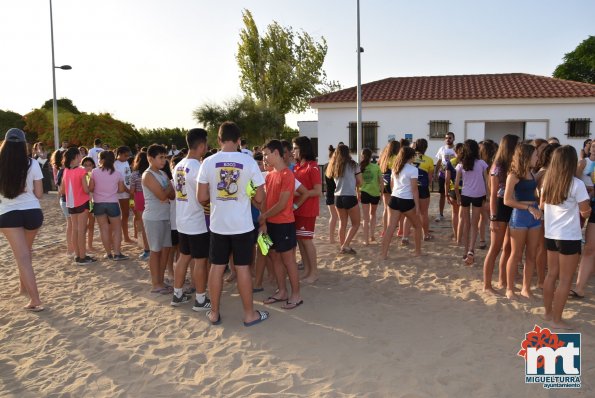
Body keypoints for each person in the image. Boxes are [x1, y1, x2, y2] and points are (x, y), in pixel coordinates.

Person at [197, 121, 269, 326]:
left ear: (219, 139)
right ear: (239, 140)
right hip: (242, 225)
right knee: (243, 268)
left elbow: (201, 196)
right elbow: (260, 197)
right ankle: (249, 314)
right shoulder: (248, 162)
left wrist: (217, 198)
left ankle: (214, 313)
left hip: (219, 224)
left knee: (217, 267)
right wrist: (247, 195)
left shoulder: (208, 162)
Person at [541, 146, 591, 329]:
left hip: (551, 234)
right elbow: (585, 212)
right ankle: (556, 319)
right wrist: (586, 210)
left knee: (551, 274)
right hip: (568, 236)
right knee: (565, 279)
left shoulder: (548, 181)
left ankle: (548, 313)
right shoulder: (576, 185)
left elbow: (543, 205)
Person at [0, 128, 45, 311]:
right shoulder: (32, 163)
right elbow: (40, 194)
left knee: (23, 256)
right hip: (32, 212)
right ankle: (23, 287)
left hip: (8, 214)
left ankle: (35, 300)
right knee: (26, 252)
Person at [170, 128, 212, 311]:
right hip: (196, 220)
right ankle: (201, 299)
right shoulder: (197, 167)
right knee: (200, 260)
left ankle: (177, 294)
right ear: (201, 146)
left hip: (182, 219)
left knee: (184, 257)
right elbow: (203, 196)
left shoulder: (178, 165)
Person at [260, 139, 303, 309]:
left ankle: (296, 295)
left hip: (284, 224)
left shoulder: (287, 175)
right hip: (271, 224)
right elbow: (266, 200)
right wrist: (264, 221)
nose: (264, 158)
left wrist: (263, 217)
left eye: (266, 154)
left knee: (288, 260)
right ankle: (282, 291)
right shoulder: (270, 175)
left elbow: (283, 203)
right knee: (275, 257)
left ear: (276, 153)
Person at [503, 144, 541, 299]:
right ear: (526, 156)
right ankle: (510, 288)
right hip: (520, 216)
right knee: (516, 254)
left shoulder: (532, 173)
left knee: (532, 254)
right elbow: (507, 200)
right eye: (535, 155)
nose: (537, 157)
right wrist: (529, 208)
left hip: (534, 216)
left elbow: (533, 193)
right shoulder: (513, 175)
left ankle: (526, 288)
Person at [482, 135, 519, 293]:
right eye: (517, 145)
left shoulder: (515, 164)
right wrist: (493, 217)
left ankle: (502, 281)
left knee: (508, 247)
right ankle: (487, 285)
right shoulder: (497, 166)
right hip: (500, 206)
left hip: (512, 206)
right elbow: (492, 194)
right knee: (495, 248)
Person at [142, 144, 175, 294]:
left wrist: (168, 188)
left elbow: (172, 195)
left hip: (165, 216)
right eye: (160, 157)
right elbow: (162, 195)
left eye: (165, 157)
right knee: (155, 251)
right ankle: (156, 284)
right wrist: (168, 187)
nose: (164, 160)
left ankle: (161, 281)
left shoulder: (162, 174)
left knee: (166, 249)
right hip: (153, 217)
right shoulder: (148, 175)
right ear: (150, 158)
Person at [381, 147, 423, 259]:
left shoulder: (395, 167)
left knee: (390, 227)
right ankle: (417, 252)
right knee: (417, 226)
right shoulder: (413, 169)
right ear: (411, 156)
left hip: (394, 198)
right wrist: (417, 206)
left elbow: (391, 185)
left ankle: (383, 254)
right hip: (406, 200)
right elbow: (415, 190)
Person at [292, 136, 321, 283]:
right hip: (296, 210)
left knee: (306, 241)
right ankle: (308, 270)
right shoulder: (297, 166)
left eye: (296, 148)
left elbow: (318, 191)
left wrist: (300, 194)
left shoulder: (313, 166)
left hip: (307, 210)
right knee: (301, 241)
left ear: (303, 149)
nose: (293, 151)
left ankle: (314, 272)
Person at [89, 150, 128, 261]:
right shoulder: (117, 174)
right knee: (116, 229)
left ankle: (108, 253)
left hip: (98, 203)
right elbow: (121, 190)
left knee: (104, 229)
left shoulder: (95, 172)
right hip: (112, 202)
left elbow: (91, 188)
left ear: (101, 159)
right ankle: (117, 253)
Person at [454, 139, 488, 265]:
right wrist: (488, 196)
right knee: (475, 224)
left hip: (465, 196)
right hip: (478, 196)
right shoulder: (482, 163)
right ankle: (471, 250)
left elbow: (456, 185)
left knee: (466, 224)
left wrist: (458, 197)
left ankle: (465, 250)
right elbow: (486, 181)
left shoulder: (461, 164)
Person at [325, 144, 361, 254]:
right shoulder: (353, 164)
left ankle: (343, 246)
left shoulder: (334, 165)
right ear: (348, 153)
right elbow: (360, 181)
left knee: (342, 223)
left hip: (337, 197)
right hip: (349, 195)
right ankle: (345, 245)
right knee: (356, 224)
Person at [61, 147, 95, 264]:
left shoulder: (66, 171)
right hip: (82, 203)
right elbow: (86, 189)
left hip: (71, 204)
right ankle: (83, 256)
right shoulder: (81, 171)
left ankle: (77, 255)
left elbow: (63, 190)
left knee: (75, 230)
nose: (81, 157)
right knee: (81, 230)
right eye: (79, 155)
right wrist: (91, 190)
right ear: (75, 157)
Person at [571, 140, 595, 299]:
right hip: (591, 205)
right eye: (593, 146)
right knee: (589, 247)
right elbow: (576, 182)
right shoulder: (583, 163)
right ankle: (579, 288)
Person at [404, 139, 433, 242]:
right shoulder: (429, 160)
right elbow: (430, 179)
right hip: (423, 188)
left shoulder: (409, 158)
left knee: (408, 213)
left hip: (410, 188)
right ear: (425, 148)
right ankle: (426, 235)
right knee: (424, 213)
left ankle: (405, 237)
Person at [129, 151, 150, 260]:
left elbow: (132, 191)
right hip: (150, 198)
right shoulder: (151, 172)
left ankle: (147, 250)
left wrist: (131, 203)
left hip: (139, 198)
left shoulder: (134, 174)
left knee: (143, 226)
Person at [359, 147, 382, 245]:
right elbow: (381, 182)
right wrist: (381, 194)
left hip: (364, 192)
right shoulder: (376, 167)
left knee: (365, 218)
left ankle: (366, 240)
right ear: (371, 156)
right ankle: (372, 235)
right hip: (375, 193)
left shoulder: (360, 167)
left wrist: (357, 192)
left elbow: (357, 182)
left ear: (362, 156)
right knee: (373, 214)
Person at [434, 132, 456, 222]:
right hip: (443, 175)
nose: (448, 139)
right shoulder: (442, 149)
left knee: (454, 196)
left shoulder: (456, 149)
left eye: (450, 138)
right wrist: (435, 173)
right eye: (446, 138)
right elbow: (439, 161)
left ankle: (454, 214)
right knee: (442, 195)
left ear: (453, 139)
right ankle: (441, 214)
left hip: (454, 176)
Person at [444, 143, 463, 241]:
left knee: (455, 213)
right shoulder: (468, 162)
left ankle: (456, 236)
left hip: (453, 190)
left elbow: (447, 180)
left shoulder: (450, 162)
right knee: (463, 215)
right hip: (466, 191)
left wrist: (446, 194)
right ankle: (461, 235)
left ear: (455, 152)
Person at [114, 146, 133, 243]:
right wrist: (128, 191)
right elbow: (119, 181)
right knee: (125, 213)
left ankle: (131, 235)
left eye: (128, 156)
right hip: (122, 193)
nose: (127, 157)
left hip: (130, 192)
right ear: (119, 154)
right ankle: (125, 236)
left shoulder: (126, 162)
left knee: (131, 212)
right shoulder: (115, 164)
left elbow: (128, 177)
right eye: (125, 155)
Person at [81, 156, 97, 252]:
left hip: (92, 202)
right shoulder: (81, 176)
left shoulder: (95, 175)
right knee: (82, 225)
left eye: (90, 165)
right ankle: (82, 244)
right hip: (83, 203)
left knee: (91, 224)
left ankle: (90, 244)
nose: (87, 167)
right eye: (85, 165)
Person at [325, 145, 338, 244]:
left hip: (329, 193)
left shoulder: (326, 166)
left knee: (333, 216)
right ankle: (332, 238)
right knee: (337, 217)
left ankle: (331, 237)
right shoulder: (336, 167)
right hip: (336, 194)